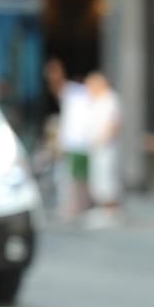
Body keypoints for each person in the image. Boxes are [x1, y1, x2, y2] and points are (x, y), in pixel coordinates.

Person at [43, 59, 92, 222]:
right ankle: (72, 207)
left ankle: (76, 207)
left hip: (78, 143)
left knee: (76, 177)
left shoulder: (78, 93)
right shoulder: (74, 94)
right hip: (73, 142)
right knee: (70, 176)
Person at [84, 71, 122, 228]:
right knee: (98, 180)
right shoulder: (95, 100)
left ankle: (111, 211)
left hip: (106, 147)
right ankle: (101, 208)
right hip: (96, 147)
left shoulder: (110, 99)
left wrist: (102, 139)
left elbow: (114, 124)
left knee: (107, 179)